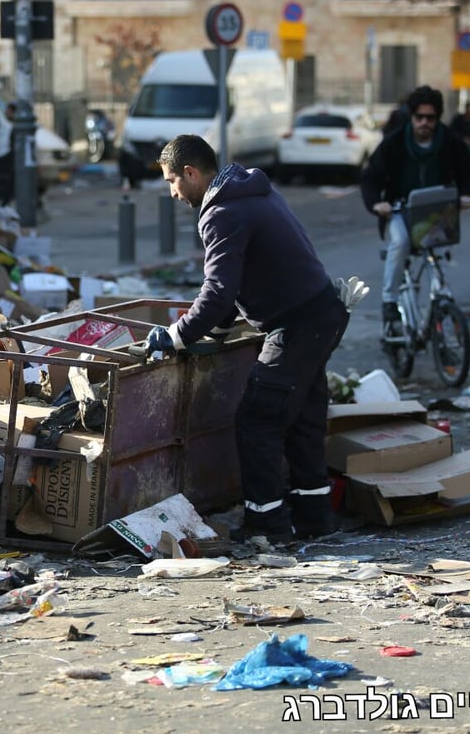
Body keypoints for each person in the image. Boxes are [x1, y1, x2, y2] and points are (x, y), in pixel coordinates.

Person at [145, 135, 362, 543]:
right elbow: (239, 281)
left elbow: (218, 290)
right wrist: (216, 326)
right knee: (302, 418)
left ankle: (267, 524)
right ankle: (315, 519)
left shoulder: (222, 213)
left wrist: (176, 335)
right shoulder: (251, 190)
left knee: (258, 420)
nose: (172, 192)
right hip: (322, 314)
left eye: (172, 181)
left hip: (295, 325)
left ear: (191, 173)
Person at [360, 85, 470, 333]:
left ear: (438, 118)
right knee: (399, 243)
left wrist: (467, 195)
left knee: (440, 254)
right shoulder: (394, 143)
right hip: (400, 211)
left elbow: (467, 170)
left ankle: (441, 297)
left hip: (438, 212)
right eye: (419, 117)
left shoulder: (450, 141)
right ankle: (390, 301)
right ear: (411, 117)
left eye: (430, 118)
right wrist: (376, 204)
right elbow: (370, 177)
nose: (424, 123)